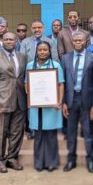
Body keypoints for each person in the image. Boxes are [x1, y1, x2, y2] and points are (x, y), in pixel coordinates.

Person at [0, 32, 27, 173]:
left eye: (12, 39)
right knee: (0, 133)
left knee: (17, 132)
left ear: (16, 41)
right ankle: (0, 160)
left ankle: (12, 158)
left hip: (20, 100)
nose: (9, 41)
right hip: (2, 102)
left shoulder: (22, 57)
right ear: (2, 41)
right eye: (6, 39)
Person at [61, 32, 93, 173]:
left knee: (88, 132)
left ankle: (90, 161)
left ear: (84, 42)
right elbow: (63, 82)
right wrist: (63, 102)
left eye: (80, 40)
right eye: (75, 40)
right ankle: (71, 160)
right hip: (71, 101)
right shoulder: (65, 58)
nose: (78, 42)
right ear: (72, 41)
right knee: (71, 134)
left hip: (87, 101)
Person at [25, 41, 64, 172]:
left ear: (49, 51)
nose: (42, 52)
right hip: (37, 106)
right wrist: (30, 93)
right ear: (36, 51)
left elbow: (60, 85)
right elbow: (27, 84)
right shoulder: (30, 65)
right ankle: (39, 163)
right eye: (40, 50)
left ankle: (52, 163)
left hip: (52, 106)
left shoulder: (56, 65)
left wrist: (59, 100)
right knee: (39, 135)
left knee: (51, 136)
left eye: (45, 50)